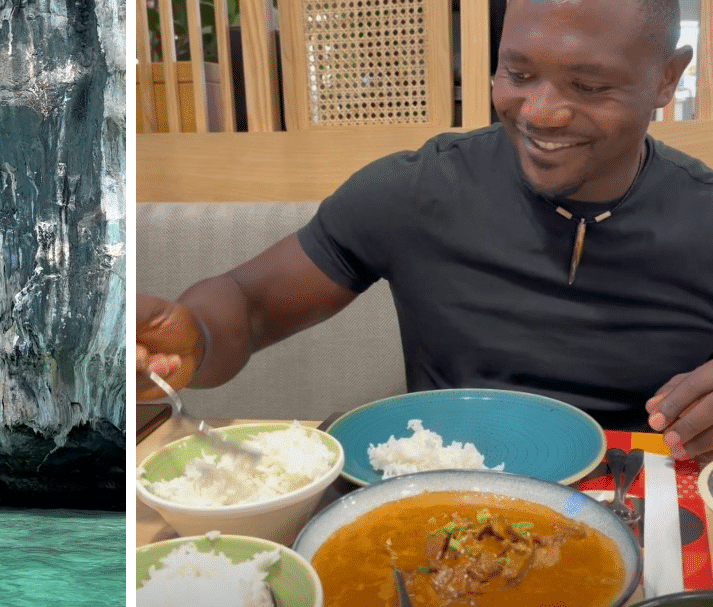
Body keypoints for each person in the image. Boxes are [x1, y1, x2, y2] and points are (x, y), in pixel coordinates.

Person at [137, 0, 713, 459]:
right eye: (518, 73)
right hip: (445, 497)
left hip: (646, 501)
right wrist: (195, 339)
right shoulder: (419, 191)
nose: (541, 112)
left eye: (588, 87)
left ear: (667, 78)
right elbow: (250, 304)